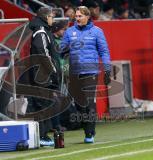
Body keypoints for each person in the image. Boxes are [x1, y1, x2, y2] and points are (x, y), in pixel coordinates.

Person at [60, 6, 111, 143]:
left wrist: (107, 70)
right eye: (76, 16)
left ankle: (90, 132)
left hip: (91, 72)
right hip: (74, 73)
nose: (77, 19)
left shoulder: (97, 32)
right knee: (79, 105)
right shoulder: (69, 32)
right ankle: (87, 127)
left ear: (88, 17)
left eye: (80, 16)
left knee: (89, 103)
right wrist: (63, 50)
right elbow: (62, 50)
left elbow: (104, 52)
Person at [29, 7, 60, 147]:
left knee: (44, 104)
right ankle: (41, 136)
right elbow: (43, 53)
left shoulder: (43, 30)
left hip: (42, 74)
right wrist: (53, 72)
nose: (53, 19)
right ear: (45, 17)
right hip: (42, 75)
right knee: (41, 105)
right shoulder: (41, 31)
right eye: (51, 16)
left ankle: (43, 135)